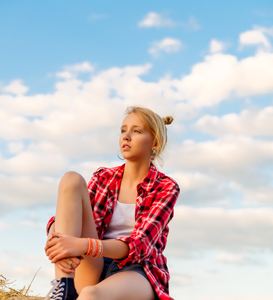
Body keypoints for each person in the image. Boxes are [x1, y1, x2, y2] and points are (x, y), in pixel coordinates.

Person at [44, 106, 180, 300]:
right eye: (123, 130)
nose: (126, 136)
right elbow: (69, 220)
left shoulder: (165, 187)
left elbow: (138, 246)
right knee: (71, 179)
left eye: (136, 131)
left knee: (91, 295)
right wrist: (56, 239)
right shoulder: (104, 178)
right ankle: (64, 288)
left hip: (137, 270)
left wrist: (81, 245)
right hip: (92, 264)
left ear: (155, 143)